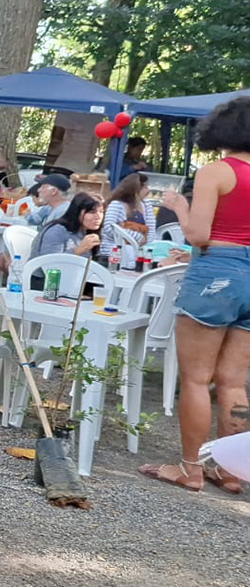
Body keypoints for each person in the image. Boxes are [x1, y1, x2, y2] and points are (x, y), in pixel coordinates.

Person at [139, 98, 250, 494]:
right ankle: (231, 470)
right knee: (234, 382)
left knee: (197, 379)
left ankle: (191, 469)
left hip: (216, 273)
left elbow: (199, 235)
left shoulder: (216, 172)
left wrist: (181, 208)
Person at [28, 192, 103, 289]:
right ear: (77, 212)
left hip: (75, 281)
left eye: (101, 211)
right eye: (92, 212)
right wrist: (78, 250)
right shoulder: (57, 230)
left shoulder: (89, 232)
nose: (98, 217)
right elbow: (50, 266)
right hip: (45, 283)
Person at [99, 172, 157, 262]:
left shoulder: (146, 205)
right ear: (136, 189)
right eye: (145, 187)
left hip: (139, 252)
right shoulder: (116, 204)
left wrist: (146, 247)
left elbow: (151, 229)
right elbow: (109, 228)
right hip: (114, 252)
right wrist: (137, 237)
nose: (148, 190)